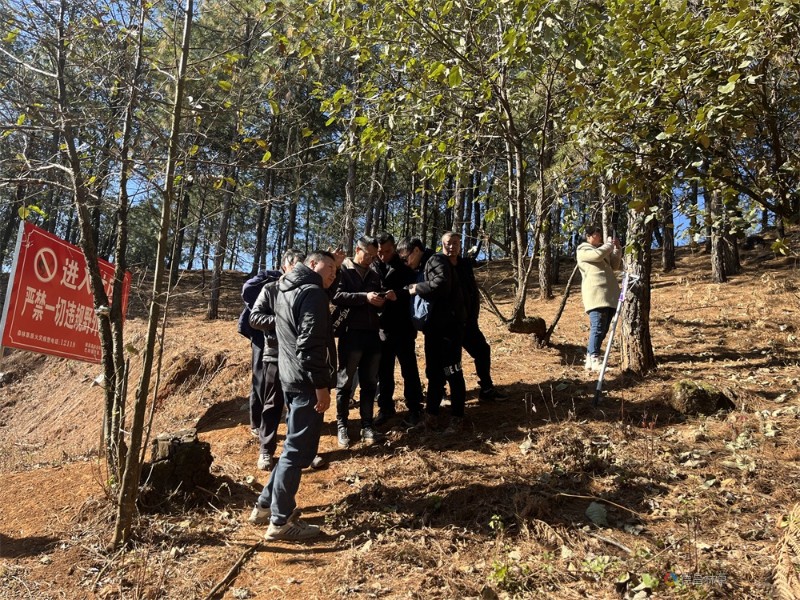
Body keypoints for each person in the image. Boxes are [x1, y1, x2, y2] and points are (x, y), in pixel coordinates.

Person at [247, 250, 337, 541]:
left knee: (291, 450)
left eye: (336, 271)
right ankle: (280, 521)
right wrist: (321, 386)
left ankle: (264, 506)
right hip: (306, 381)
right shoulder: (311, 292)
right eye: (329, 268)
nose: (333, 274)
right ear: (312, 264)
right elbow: (310, 343)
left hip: (290, 376)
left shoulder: (286, 287)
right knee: (297, 453)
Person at [249, 249, 325, 472]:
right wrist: (282, 321)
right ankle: (266, 450)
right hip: (274, 354)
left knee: (299, 407)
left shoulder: (307, 292)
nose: (299, 270)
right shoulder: (271, 289)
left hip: (299, 357)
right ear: (285, 267)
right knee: (273, 403)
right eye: (295, 265)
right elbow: (255, 317)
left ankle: (301, 451)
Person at [401, 235, 467, 433]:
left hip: (449, 329)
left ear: (416, 251)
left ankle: (457, 418)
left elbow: (441, 284)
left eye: (406, 258)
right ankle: (431, 417)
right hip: (434, 330)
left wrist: (415, 289)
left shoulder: (436, 260)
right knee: (435, 373)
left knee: (453, 372)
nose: (405, 263)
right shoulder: (422, 265)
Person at [331, 236, 390, 448]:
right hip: (351, 334)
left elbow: (378, 305)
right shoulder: (343, 271)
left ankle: (367, 425)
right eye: (368, 255)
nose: (371, 260)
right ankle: (342, 425)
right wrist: (364, 297)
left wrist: (382, 300)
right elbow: (336, 296)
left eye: (374, 257)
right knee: (345, 382)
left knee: (369, 383)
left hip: (373, 333)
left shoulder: (374, 274)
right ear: (357, 249)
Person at [442, 231, 508, 402]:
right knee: (449, 360)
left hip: (468, 322)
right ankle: (440, 393)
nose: (452, 246)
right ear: (442, 244)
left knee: (482, 350)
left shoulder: (464, 265)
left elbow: (471, 291)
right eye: (449, 243)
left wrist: (473, 316)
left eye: (455, 243)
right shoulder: (439, 264)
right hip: (448, 325)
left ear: (460, 245)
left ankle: (486, 389)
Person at [371, 232, 424, 427]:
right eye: (380, 252)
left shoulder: (404, 265)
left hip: (403, 326)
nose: (383, 255)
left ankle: (415, 407)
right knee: (384, 371)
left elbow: (415, 286)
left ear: (393, 248)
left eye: (387, 251)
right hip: (382, 326)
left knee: (409, 369)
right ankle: (385, 408)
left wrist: (399, 294)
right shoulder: (373, 266)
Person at [238, 267, 281, 439]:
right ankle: (256, 423)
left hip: (281, 338)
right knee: (260, 378)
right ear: (287, 264)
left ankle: (270, 418)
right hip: (260, 334)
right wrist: (262, 309)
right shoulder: (269, 277)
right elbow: (247, 289)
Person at [576, 225, 622, 371]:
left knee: (604, 328)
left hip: (608, 295)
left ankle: (590, 359)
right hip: (596, 295)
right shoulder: (583, 250)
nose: (600, 236)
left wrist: (617, 248)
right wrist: (608, 245)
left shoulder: (601, 250)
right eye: (597, 234)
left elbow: (615, 265)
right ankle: (594, 358)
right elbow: (597, 256)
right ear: (588, 236)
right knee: (598, 327)